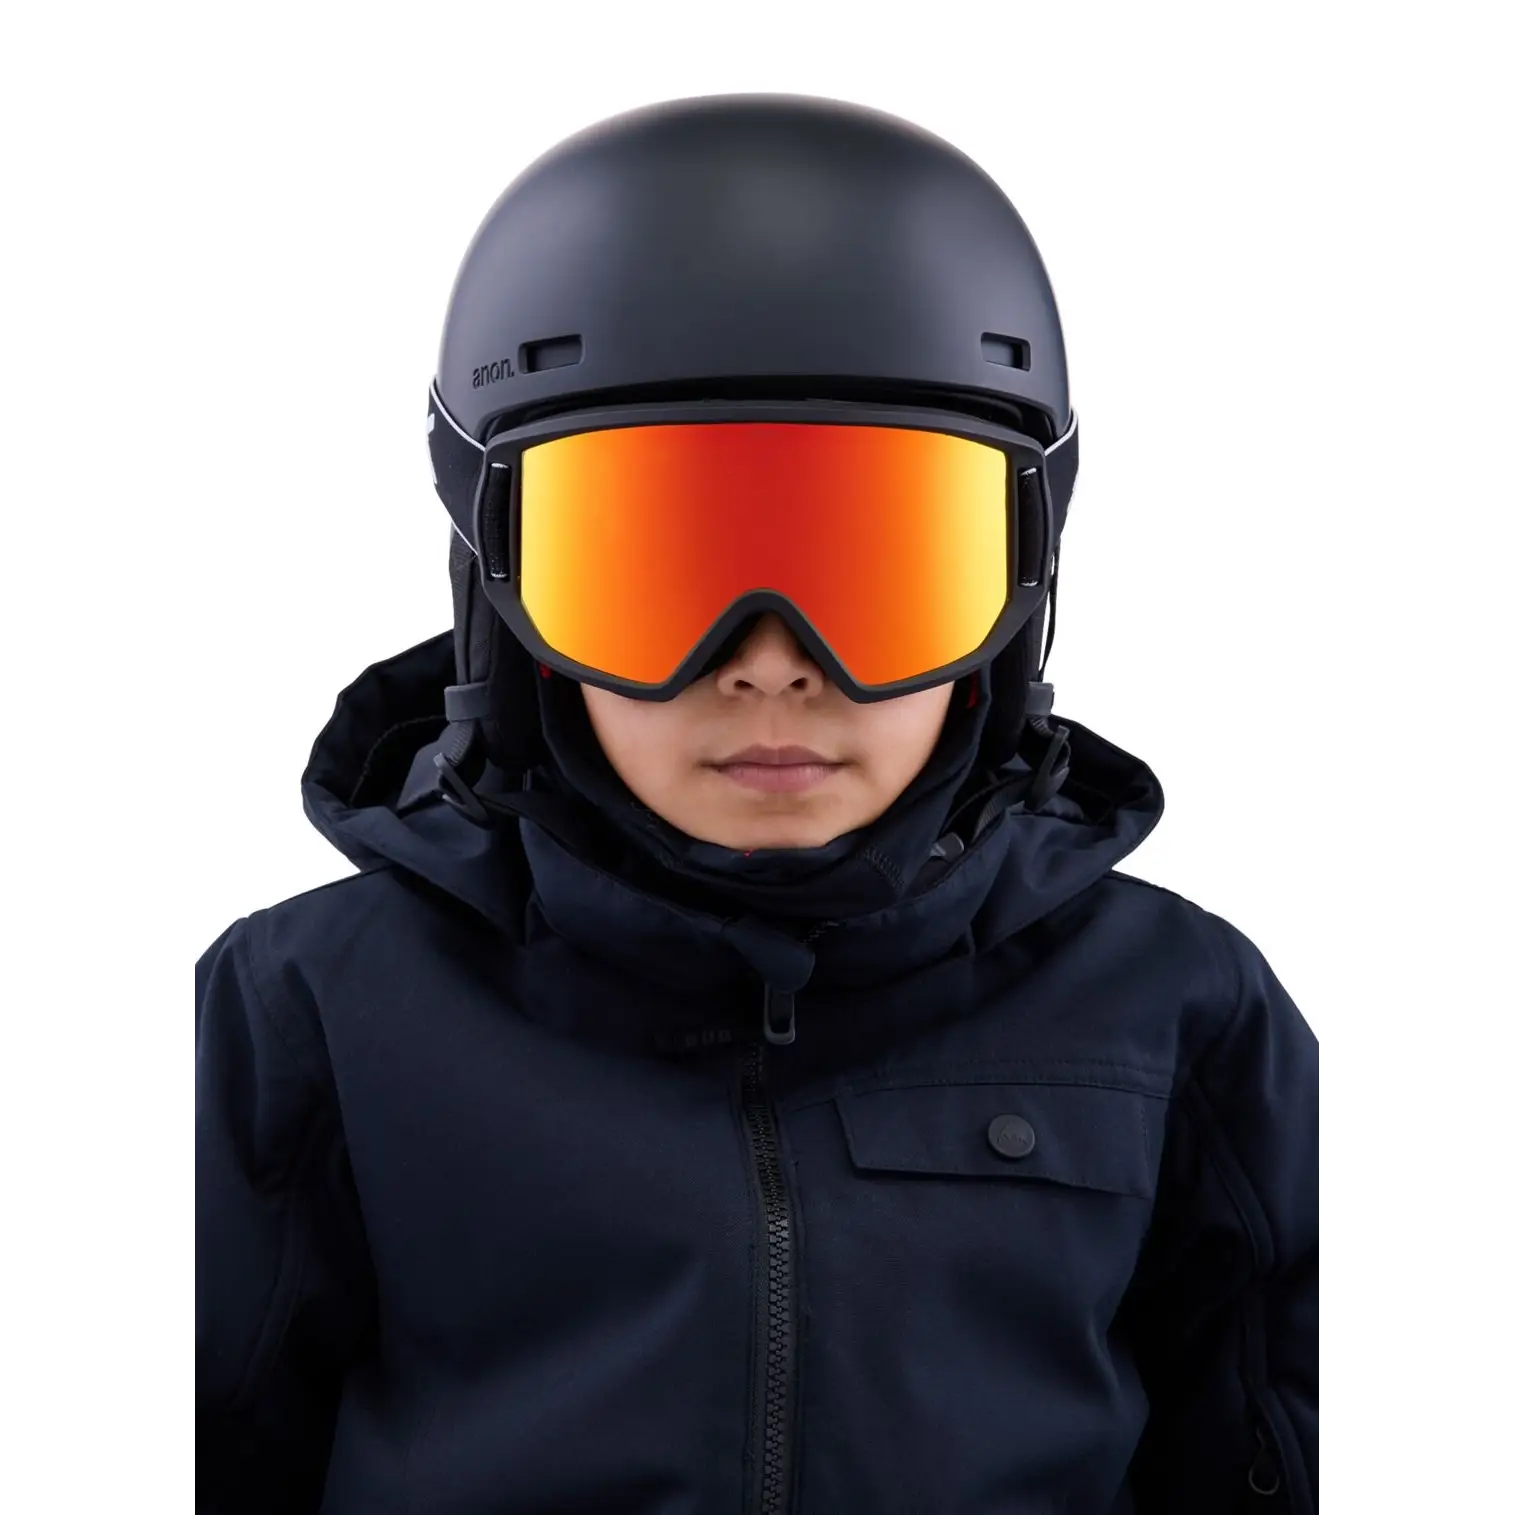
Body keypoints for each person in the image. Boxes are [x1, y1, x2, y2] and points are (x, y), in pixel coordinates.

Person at [192, 93, 1320, 1514]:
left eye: (882, 567)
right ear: (505, 599)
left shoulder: (1169, 1007)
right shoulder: (314, 1013)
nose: (774, 666)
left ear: (1017, 592)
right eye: (656, 570)